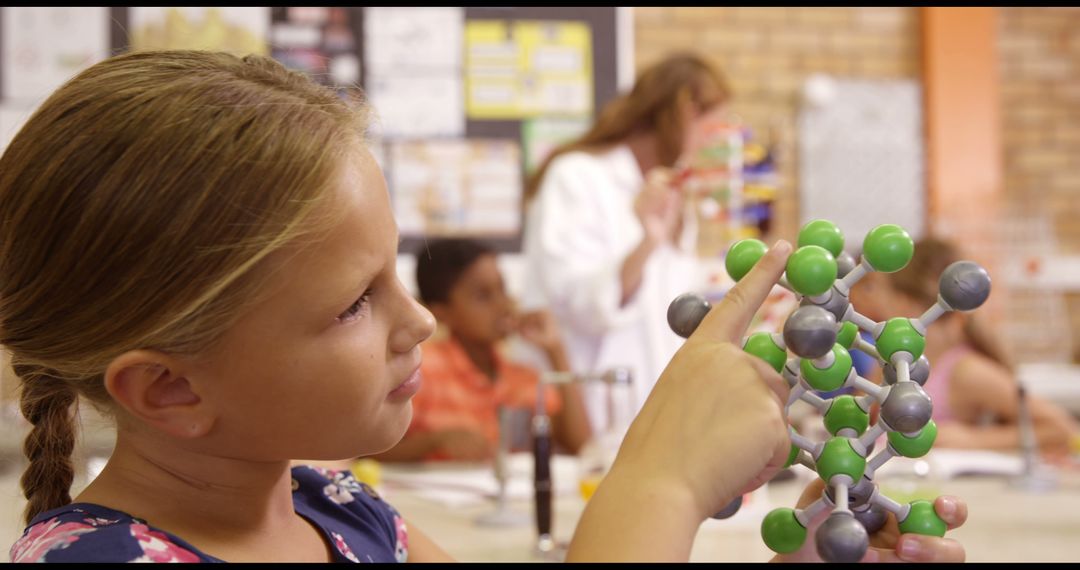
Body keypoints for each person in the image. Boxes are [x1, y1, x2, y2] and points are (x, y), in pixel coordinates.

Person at [0, 50, 966, 563]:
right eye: (354, 305)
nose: (418, 323)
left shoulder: (344, 513)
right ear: (169, 389)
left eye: (399, 278)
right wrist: (655, 486)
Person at [520, 52, 733, 435]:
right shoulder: (577, 177)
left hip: (663, 413)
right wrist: (647, 241)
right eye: (707, 124)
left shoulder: (671, 194)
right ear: (681, 110)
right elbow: (578, 307)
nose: (708, 141)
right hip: (591, 415)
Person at [850, 237, 1080, 460]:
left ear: (905, 301)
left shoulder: (964, 370)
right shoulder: (891, 360)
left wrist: (973, 439)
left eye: (878, 290)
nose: (874, 300)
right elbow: (862, 420)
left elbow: (1062, 429)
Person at [374, 238, 591, 462]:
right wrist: (433, 442)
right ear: (442, 313)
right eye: (483, 296)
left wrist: (556, 350)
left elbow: (581, 446)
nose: (503, 304)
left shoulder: (522, 378)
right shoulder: (421, 370)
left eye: (502, 289)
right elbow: (368, 451)